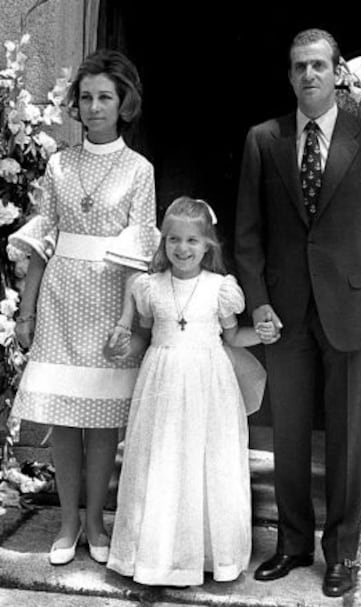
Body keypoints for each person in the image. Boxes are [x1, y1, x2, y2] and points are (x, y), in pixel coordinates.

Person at [234, 28, 361, 598]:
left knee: (349, 438)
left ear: (337, 74)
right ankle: (293, 542)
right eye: (299, 66)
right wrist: (257, 299)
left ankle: (343, 552)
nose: (309, 75)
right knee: (289, 433)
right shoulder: (265, 139)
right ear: (289, 75)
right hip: (283, 311)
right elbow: (248, 234)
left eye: (319, 66)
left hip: (352, 308)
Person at [7, 49, 159, 566]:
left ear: (124, 104)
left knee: (102, 422)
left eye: (105, 98)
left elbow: (140, 248)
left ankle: (96, 520)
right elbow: (42, 242)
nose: (95, 107)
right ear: (77, 104)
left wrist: (128, 321)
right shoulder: (58, 164)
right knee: (64, 418)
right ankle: (68, 520)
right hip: (59, 300)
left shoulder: (140, 169)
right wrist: (25, 313)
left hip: (112, 301)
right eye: (87, 97)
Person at [106, 196, 275, 586]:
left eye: (192, 241)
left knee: (206, 461)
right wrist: (121, 347)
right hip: (162, 379)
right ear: (163, 242)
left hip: (208, 381)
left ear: (208, 245)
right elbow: (144, 334)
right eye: (173, 240)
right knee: (162, 458)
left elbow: (233, 335)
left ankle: (209, 553)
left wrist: (265, 334)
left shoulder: (220, 288)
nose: (182, 249)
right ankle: (156, 554)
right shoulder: (149, 287)